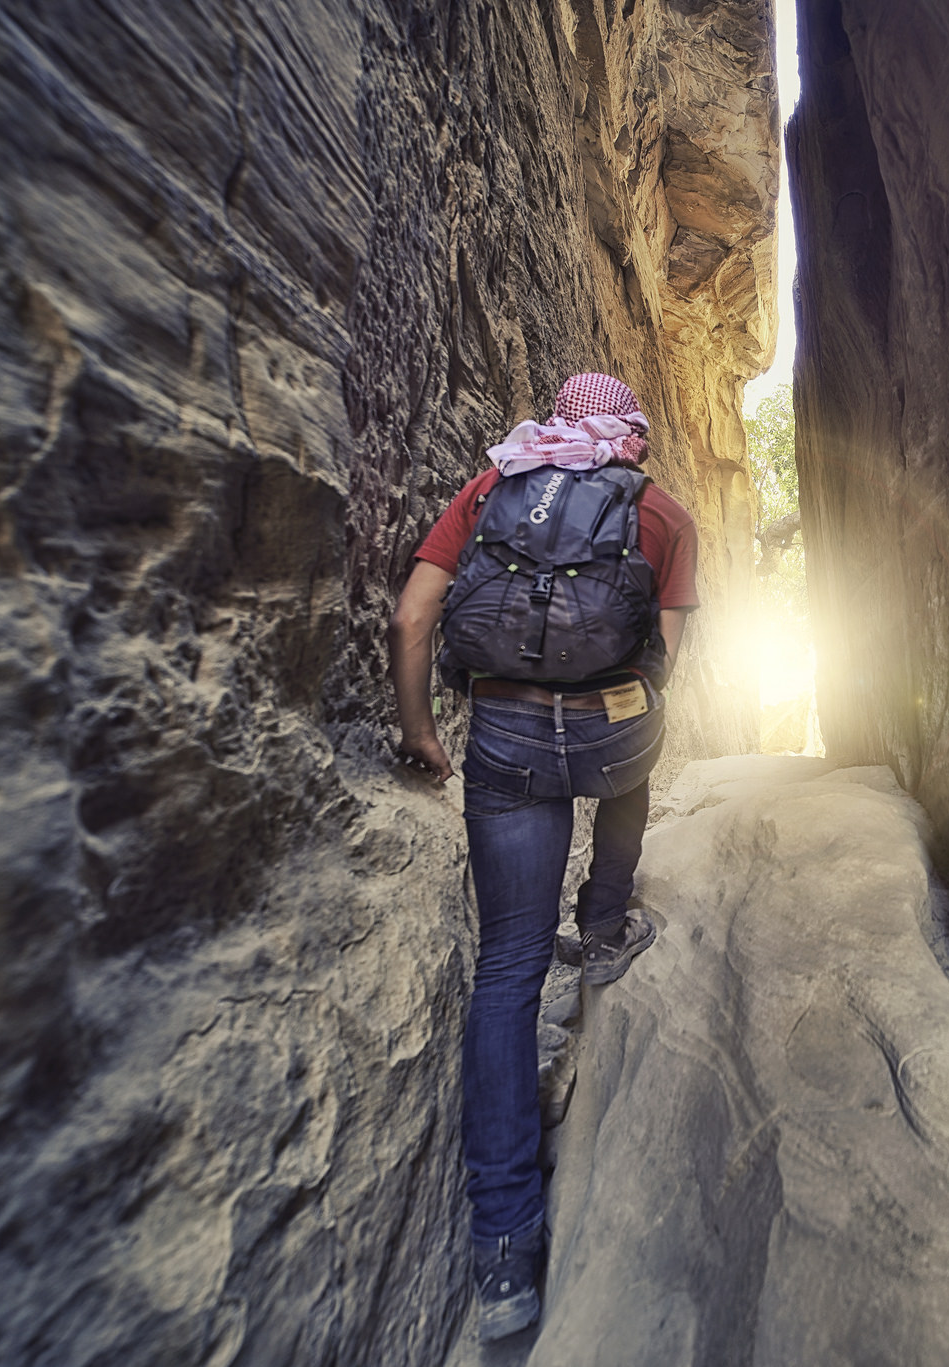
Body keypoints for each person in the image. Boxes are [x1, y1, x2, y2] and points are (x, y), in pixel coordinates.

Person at [387, 372, 699, 1341]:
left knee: (508, 967)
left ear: (553, 423)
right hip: (608, 731)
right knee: (637, 750)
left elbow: (411, 617)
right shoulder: (659, 510)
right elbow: (664, 658)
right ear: (631, 433)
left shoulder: (490, 488)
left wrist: (420, 728)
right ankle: (605, 920)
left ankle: (502, 1254)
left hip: (506, 740)